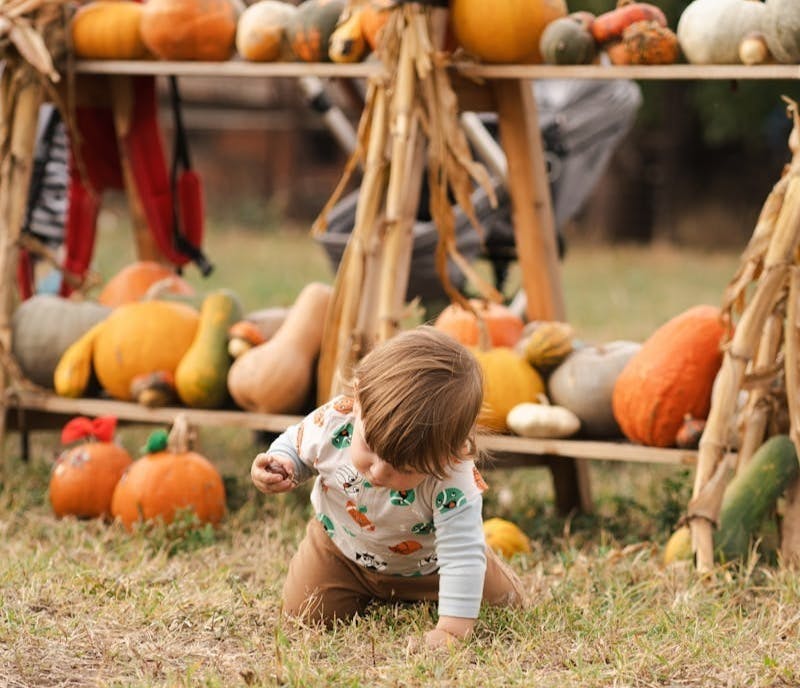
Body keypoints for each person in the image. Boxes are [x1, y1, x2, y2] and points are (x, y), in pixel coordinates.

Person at [250, 326, 526, 649]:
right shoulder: (335, 422)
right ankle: (363, 590)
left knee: (499, 603)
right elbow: (298, 445)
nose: (378, 471)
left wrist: (451, 631)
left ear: (449, 454)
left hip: (431, 568)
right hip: (340, 550)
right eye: (369, 445)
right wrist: (283, 464)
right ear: (357, 400)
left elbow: (460, 557)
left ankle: (490, 575)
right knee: (304, 613)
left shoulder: (452, 475)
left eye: (404, 468)